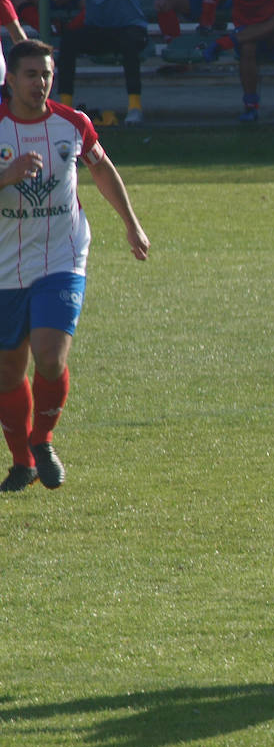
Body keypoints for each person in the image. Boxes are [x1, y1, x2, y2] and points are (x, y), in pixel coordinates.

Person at [0, 40, 149, 493]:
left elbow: (102, 170)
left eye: (46, 74)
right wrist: (6, 177)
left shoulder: (72, 124)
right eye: (30, 75)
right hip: (4, 267)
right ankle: (22, 462)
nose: (40, 83)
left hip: (62, 257)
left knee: (49, 356)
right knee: (7, 371)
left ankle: (42, 440)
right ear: (10, 79)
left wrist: (131, 224)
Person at [54, 0, 148, 125]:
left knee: (129, 43)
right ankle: (65, 107)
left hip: (130, 27)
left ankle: (135, 107)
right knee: (69, 40)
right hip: (98, 28)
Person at [196, 0, 274, 123]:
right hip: (245, 31)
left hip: (271, 32)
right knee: (248, 47)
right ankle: (250, 106)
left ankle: (224, 43)